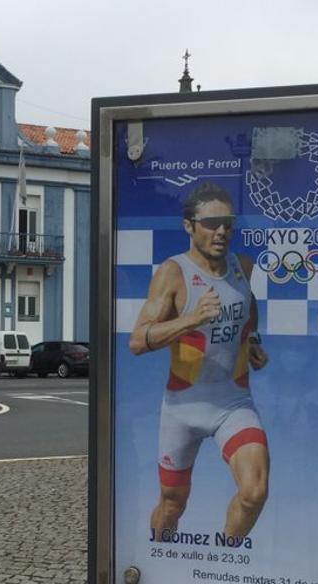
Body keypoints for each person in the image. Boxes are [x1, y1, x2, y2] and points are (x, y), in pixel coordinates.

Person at [129, 181, 270, 540]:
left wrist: (251, 339)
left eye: (227, 223)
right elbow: (138, 340)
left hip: (233, 402)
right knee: (173, 505)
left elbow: (247, 304)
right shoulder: (172, 273)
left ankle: (224, 562)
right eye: (211, 223)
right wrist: (192, 318)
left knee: (254, 493)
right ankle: (162, 556)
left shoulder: (243, 266)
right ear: (189, 226)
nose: (221, 231)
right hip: (183, 407)